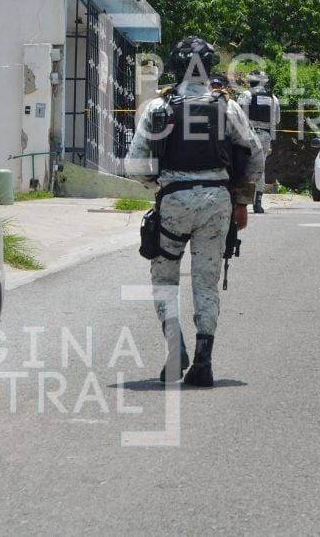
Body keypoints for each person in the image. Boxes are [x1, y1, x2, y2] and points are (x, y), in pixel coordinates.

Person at [125, 37, 264, 387]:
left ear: (175, 66)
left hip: (173, 200)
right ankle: (204, 362)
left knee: (164, 279)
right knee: (206, 282)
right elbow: (255, 153)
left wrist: (159, 186)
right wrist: (242, 201)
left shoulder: (159, 108)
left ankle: (176, 349)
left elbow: (135, 164)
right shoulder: (227, 107)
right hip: (217, 201)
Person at [237, 70, 280, 214]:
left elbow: (238, 115)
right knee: (260, 168)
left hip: (247, 134)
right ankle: (258, 202)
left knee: (242, 165)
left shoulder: (246, 95)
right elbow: (276, 121)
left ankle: (240, 201)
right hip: (265, 137)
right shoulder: (273, 98)